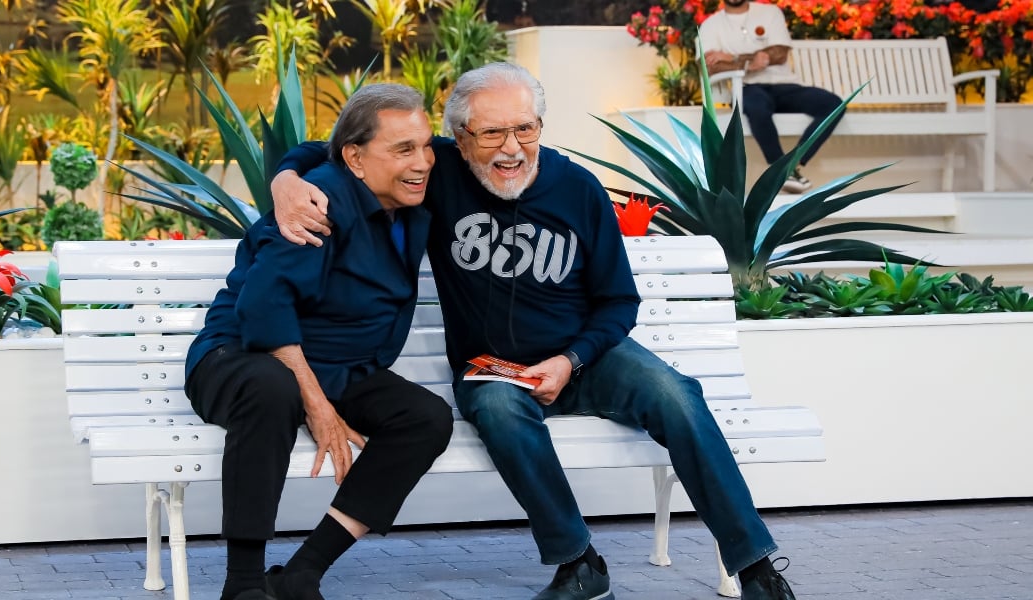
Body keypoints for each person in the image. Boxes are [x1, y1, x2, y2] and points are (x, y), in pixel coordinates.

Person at [269, 63, 798, 600]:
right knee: (497, 408)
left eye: (526, 128)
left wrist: (572, 359)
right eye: (492, 132)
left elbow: (619, 301)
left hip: (586, 356)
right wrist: (285, 180)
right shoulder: (438, 172)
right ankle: (578, 563)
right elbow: (334, 147)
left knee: (676, 394)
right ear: (459, 138)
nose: (512, 148)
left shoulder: (578, 188)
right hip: (492, 367)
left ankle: (754, 566)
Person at [184, 83, 453, 600]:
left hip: (339, 364)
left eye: (424, 144)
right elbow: (261, 309)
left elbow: (315, 147)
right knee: (273, 389)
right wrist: (317, 404)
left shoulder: (411, 185)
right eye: (403, 149)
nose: (423, 161)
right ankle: (241, 584)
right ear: (355, 157)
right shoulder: (318, 205)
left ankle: (303, 572)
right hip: (240, 355)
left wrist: (285, 172)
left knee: (426, 418)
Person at [699, 0, 843, 194]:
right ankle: (779, 168)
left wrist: (731, 58)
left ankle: (791, 165)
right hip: (746, 88)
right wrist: (751, 61)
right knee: (757, 107)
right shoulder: (711, 25)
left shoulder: (769, 13)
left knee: (833, 104)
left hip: (784, 86)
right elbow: (708, 66)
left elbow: (780, 54)